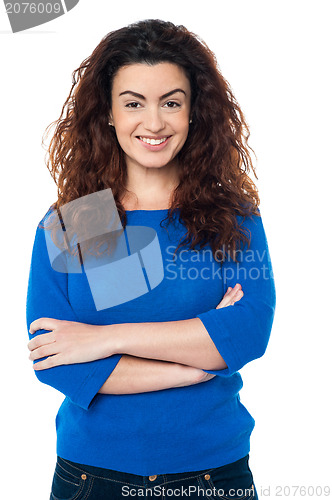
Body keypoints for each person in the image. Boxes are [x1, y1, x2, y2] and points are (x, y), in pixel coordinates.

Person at [26, 19, 276, 499]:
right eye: (134, 103)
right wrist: (191, 366)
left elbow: (245, 332)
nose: (155, 123)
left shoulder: (229, 217)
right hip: (91, 477)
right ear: (109, 114)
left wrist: (103, 340)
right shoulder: (83, 220)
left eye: (171, 103)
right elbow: (58, 361)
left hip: (212, 476)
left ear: (193, 112)